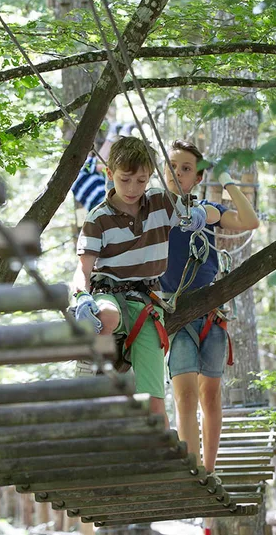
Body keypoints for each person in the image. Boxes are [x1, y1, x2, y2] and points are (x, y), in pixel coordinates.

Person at [72, 136, 221, 428]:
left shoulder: (161, 203)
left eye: (141, 181)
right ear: (109, 174)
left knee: (155, 403)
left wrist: (200, 216)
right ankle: (90, 364)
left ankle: (164, 459)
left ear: (150, 177)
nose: (132, 189)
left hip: (146, 303)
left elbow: (213, 213)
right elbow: (83, 269)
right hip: (108, 292)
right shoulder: (98, 218)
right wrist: (81, 297)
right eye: (125, 179)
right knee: (107, 316)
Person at [160, 139, 259, 474]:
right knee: (185, 394)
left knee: (210, 395)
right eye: (172, 166)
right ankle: (191, 468)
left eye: (186, 168)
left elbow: (250, 221)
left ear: (197, 178)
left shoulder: (206, 211)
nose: (178, 173)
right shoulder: (154, 213)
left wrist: (226, 180)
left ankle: (209, 470)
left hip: (210, 316)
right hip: (175, 316)